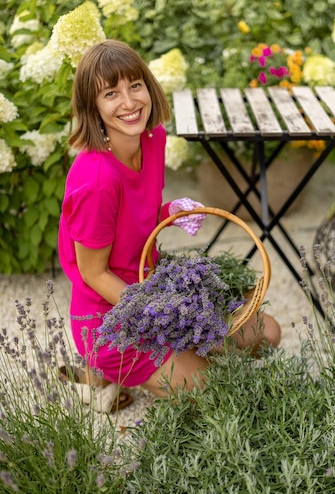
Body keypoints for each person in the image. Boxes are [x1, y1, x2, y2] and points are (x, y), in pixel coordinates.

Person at [58, 39, 281, 413]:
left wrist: (171, 210)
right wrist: (167, 316)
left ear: (148, 85)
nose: (129, 103)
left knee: (267, 334)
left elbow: (136, 215)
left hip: (153, 285)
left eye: (135, 85)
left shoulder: (153, 138)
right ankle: (102, 371)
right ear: (92, 106)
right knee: (216, 392)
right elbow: (94, 273)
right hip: (111, 319)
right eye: (110, 93)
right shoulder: (95, 179)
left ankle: (118, 375)